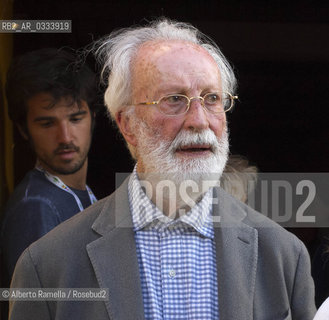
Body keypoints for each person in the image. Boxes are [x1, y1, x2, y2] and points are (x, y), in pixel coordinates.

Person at [9, 19, 316, 319]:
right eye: (174, 99)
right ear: (128, 124)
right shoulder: (46, 266)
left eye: (211, 99)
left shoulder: (284, 256)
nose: (199, 120)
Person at [1, 48, 98, 286]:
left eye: (75, 119)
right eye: (46, 124)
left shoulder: (80, 193)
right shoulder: (36, 207)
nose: (64, 137)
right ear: (23, 130)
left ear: (93, 118)